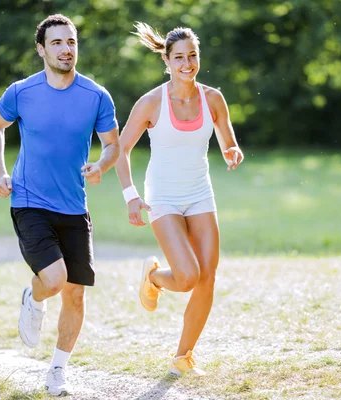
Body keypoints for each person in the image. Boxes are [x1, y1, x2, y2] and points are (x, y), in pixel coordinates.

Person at [0, 14, 119, 395]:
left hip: (74, 206)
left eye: (71, 42)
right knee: (56, 281)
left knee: (76, 293)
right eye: (57, 43)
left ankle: (57, 370)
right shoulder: (21, 92)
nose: (66, 49)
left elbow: (113, 144)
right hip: (30, 201)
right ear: (42, 49)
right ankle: (36, 294)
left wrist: (101, 165)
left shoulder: (96, 96)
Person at [115, 22, 244, 376]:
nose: (187, 63)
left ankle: (183, 357)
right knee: (187, 276)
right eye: (179, 58)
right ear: (167, 61)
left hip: (200, 193)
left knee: (207, 278)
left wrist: (232, 152)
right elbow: (120, 150)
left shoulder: (212, 98)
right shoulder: (152, 102)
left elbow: (227, 139)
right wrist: (131, 197)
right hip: (164, 197)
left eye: (193, 56)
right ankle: (155, 278)